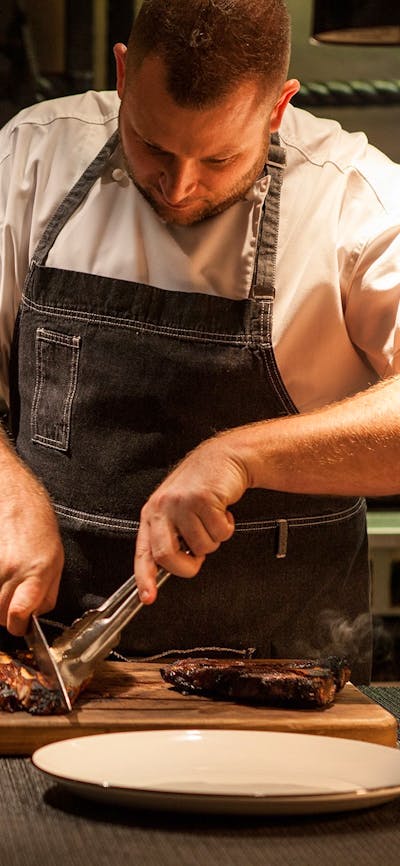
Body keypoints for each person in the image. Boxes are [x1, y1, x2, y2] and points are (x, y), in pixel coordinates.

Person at [0, 0, 399, 681]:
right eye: (152, 144)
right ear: (124, 75)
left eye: (218, 157)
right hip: (49, 662)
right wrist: (7, 489)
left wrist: (241, 456)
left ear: (278, 108)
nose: (180, 187)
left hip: (282, 679)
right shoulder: (30, 158)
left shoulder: (356, 203)